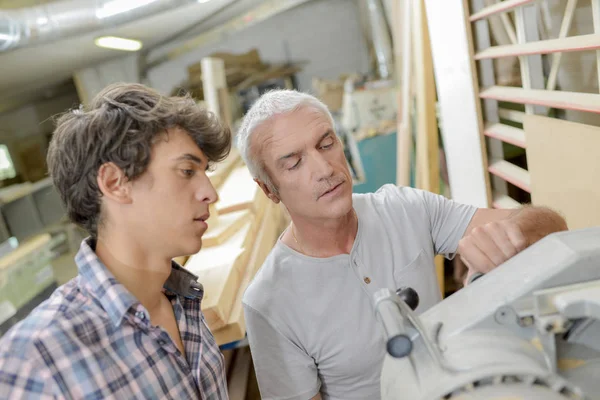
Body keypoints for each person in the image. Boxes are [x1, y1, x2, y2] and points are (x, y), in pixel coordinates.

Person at [236, 89, 568, 400]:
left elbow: (551, 228)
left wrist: (513, 235)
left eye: (326, 145)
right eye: (294, 163)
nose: (325, 169)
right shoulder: (270, 302)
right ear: (268, 189)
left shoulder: (405, 209)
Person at [0, 83, 231, 399]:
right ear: (115, 183)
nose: (210, 193)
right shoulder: (36, 361)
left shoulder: (184, 302)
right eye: (187, 171)